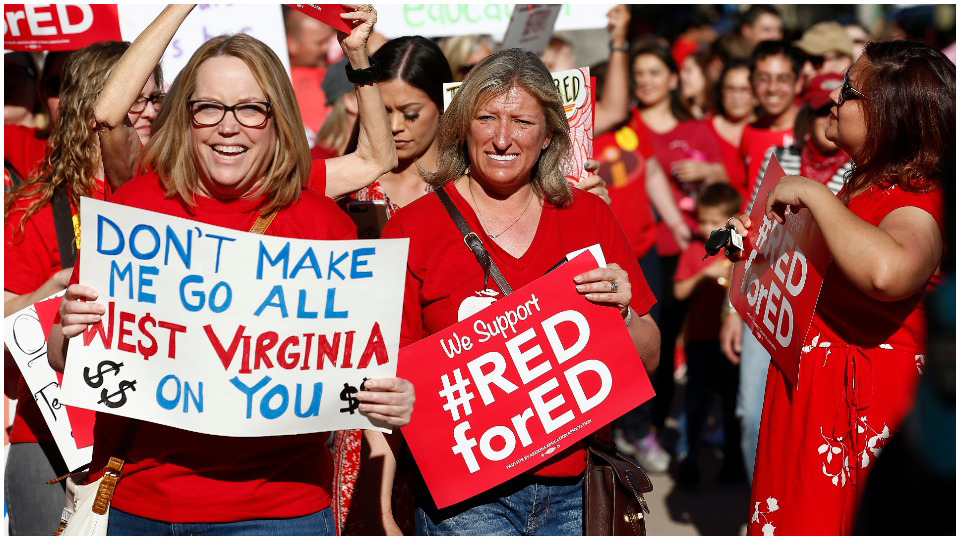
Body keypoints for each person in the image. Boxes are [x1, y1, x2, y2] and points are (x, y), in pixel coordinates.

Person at [46, 5, 414, 535]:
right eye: (209, 107)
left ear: (277, 116)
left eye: (249, 109)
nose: (228, 126)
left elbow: (367, 377)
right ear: (185, 113)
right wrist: (67, 327)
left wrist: (393, 398)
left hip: (280, 513)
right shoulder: (137, 211)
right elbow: (67, 354)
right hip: (146, 511)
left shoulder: (322, 224)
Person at [369, 48, 660, 536]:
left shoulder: (588, 216)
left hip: (575, 489)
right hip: (465, 498)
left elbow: (648, 358)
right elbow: (387, 382)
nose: (502, 138)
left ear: (548, 135)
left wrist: (625, 313)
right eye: (486, 118)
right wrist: (381, 511)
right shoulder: (410, 229)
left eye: (521, 121)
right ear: (462, 125)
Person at [727, 40, 952, 535]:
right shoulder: (869, 181)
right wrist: (763, 245)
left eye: (848, 90)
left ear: (889, 115)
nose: (832, 96)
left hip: (854, 417)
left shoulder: (920, 199)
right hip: (812, 404)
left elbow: (887, 273)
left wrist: (811, 193)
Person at [3, 40, 161, 537]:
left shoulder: (170, 189)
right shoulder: (40, 199)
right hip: (51, 435)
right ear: (99, 100)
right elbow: (6, 312)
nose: (151, 110)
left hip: (148, 434)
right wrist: (49, 290)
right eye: (139, 96)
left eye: (159, 98)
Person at [721, 72, 852, 483]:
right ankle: (759, 505)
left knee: (808, 420)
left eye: (829, 109)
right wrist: (731, 310)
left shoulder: (857, 167)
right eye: (815, 110)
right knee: (748, 411)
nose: (822, 117)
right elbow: (752, 228)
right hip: (768, 296)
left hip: (821, 312)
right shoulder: (780, 158)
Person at [630, 44, 725, 463]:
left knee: (666, 343)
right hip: (643, 249)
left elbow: (729, 183)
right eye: (639, 73)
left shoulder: (698, 128)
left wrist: (708, 172)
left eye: (654, 71)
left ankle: (653, 426)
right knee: (639, 341)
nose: (645, 80)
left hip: (686, 250)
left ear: (673, 78)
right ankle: (636, 427)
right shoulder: (623, 123)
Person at [672, 183, 743, 488]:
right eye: (701, 221)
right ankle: (688, 458)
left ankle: (733, 461)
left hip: (730, 343)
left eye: (713, 223)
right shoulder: (694, 252)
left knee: (731, 402)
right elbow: (678, 291)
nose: (705, 229)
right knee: (695, 402)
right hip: (699, 339)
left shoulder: (739, 253)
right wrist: (704, 275)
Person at [739, 41, 803, 204]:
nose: (772, 88)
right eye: (763, 78)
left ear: (799, 83)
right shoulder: (749, 130)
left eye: (783, 79)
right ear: (751, 83)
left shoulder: (808, 132)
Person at [284, 6, 339, 144]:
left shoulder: (338, 70)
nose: (327, 48)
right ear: (291, 44)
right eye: (320, 43)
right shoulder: (276, 79)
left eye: (328, 41)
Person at [707, 59, 756, 197]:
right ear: (721, 91)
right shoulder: (704, 129)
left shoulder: (765, 131)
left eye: (745, 89)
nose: (736, 96)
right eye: (730, 89)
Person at [679, 51, 712, 120]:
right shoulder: (679, 111)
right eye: (682, 70)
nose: (682, 76)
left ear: (705, 74)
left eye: (688, 70)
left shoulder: (718, 113)